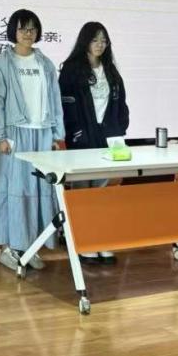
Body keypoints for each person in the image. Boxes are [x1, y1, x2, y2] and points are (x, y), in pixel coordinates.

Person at [0, 9, 64, 273]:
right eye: (22, 28)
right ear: (14, 31)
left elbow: (55, 100)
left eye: (32, 28)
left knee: (38, 191)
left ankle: (30, 245)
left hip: (41, 133)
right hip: (14, 134)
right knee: (12, 190)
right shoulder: (2, 63)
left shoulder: (45, 63)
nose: (27, 33)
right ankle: (8, 247)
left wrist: (57, 135)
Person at [59, 21, 129, 264]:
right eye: (95, 40)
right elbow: (65, 106)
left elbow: (121, 105)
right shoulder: (71, 70)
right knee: (81, 190)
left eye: (103, 40)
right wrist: (75, 133)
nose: (100, 45)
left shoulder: (110, 70)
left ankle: (100, 239)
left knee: (102, 191)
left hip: (108, 138)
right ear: (85, 42)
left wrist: (119, 129)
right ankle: (82, 241)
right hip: (82, 137)